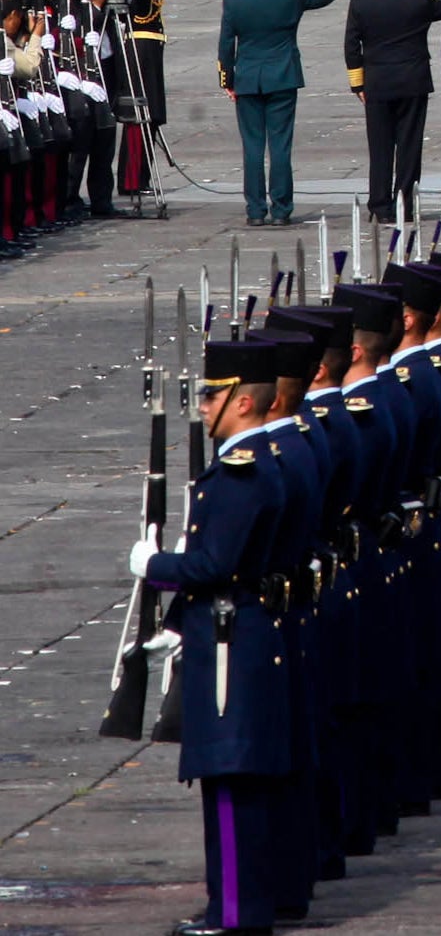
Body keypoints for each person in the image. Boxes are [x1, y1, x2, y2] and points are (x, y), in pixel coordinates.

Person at [131, 334, 296, 936]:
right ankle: (236, 905)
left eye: (210, 397)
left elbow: (213, 565)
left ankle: (235, 914)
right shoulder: (250, 467)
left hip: (231, 638)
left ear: (242, 404)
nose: (202, 407)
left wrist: (154, 566)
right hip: (236, 629)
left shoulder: (240, 475)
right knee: (236, 782)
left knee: (229, 779)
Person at [216, 0, 337, 226]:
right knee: (280, 146)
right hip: (282, 75)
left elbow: (225, 44)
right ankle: (281, 209)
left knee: (253, 147)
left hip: (248, 77)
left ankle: (256, 211)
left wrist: (227, 80)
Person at [343, 0, 441, 222]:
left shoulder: (361, 3)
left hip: (377, 82)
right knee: (410, 146)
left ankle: (379, 205)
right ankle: (405, 205)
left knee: (380, 147)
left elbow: (352, 47)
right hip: (413, 80)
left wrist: (357, 84)